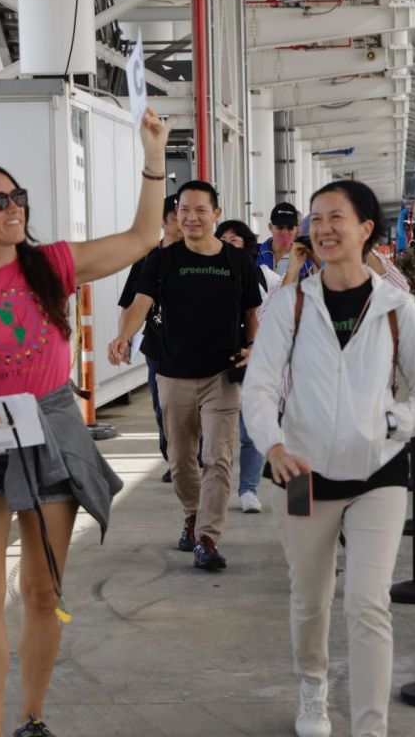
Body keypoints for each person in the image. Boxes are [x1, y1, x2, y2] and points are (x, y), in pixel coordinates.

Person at [0, 111, 170, 737]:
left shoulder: (51, 264)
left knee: (44, 591)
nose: (13, 207)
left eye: (17, 196)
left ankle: (31, 717)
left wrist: (153, 157)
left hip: (51, 429)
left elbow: (141, 237)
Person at [243, 180, 415, 737]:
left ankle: (370, 728)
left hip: (377, 472)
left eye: (336, 217)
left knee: (367, 602)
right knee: (310, 598)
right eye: (316, 218)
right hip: (300, 474)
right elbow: (259, 386)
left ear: (366, 230)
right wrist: (273, 445)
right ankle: (313, 687)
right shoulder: (290, 303)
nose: (323, 228)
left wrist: (392, 423)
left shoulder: (396, 306)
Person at [108, 181, 262, 571]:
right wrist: (123, 336)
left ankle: (208, 538)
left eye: (200, 210)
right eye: (184, 210)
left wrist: (253, 349)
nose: (191, 217)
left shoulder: (237, 261)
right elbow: (140, 302)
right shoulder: (161, 260)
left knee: (218, 457)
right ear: (176, 215)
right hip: (174, 373)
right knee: (180, 460)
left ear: (216, 212)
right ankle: (192, 514)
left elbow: (250, 312)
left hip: (222, 373)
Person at [214, 218, 278, 513]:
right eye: (223, 240)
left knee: (251, 430)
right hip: (217, 361)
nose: (228, 247)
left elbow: (280, 308)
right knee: (219, 433)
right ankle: (217, 489)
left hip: (255, 362)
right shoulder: (208, 276)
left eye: (234, 241)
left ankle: (249, 489)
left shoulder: (265, 277)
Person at [117, 193, 181, 483]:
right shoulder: (147, 259)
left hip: (199, 346)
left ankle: (192, 457)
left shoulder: (206, 256)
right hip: (157, 345)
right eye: (176, 217)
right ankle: (174, 458)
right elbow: (130, 303)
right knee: (162, 408)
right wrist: (123, 338)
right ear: (163, 222)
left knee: (198, 408)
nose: (184, 222)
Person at [258, 202, 316, 279]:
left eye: (290, 228)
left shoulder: (305, 259)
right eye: (280, 227)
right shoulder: (255, 254)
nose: (285, 232)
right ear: (270, 227)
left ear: (297, 231)